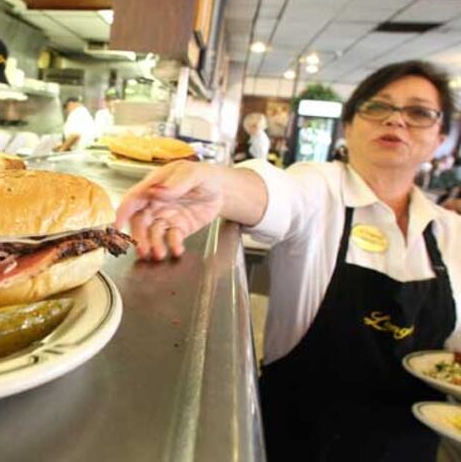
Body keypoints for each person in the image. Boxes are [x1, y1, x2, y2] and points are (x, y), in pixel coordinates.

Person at [115, 60, 461, 461]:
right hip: (296, 442)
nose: (396, 121)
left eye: (418, 112)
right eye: (378, 106)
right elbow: (275, 192)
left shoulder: (451, 232)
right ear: (349, 125)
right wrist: (218, 184)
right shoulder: (321, 188)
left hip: (411, 449)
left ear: (440, 138)